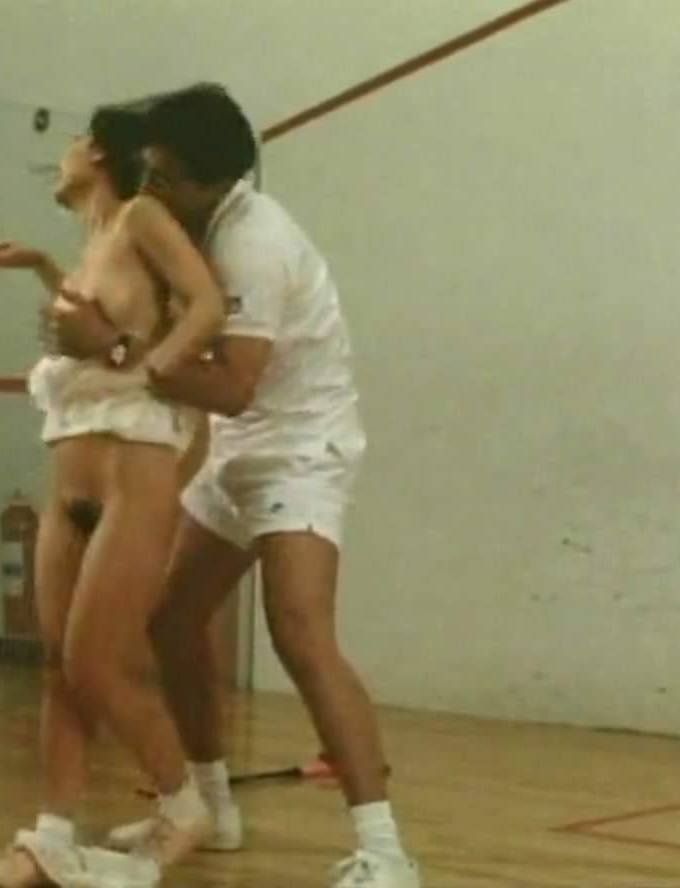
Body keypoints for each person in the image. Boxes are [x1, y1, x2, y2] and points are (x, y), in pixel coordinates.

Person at [44, 84, 422, 888]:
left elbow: (233, 387)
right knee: (174, 622)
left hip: (301, 448)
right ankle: (212, 808)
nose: (149, 188)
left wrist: (114, 352)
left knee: (299, 632)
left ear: (211, 182)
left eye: (164, 177)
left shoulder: (255, 243)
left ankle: (385, 852)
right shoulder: (179, 220)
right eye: (146, 170)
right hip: (237, 447)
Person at [0, 101, 225, 888]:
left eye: (76, 143)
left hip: (132, 479)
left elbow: (205, 308)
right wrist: (43, 267)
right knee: (58, 663)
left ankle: (183, 806)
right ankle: (50, 837)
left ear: (103, 158)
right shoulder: (92, 248)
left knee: (95, 664)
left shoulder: (144, 216)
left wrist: (137, 365)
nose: (64, 156)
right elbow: (99, 321)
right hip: (69, 482)